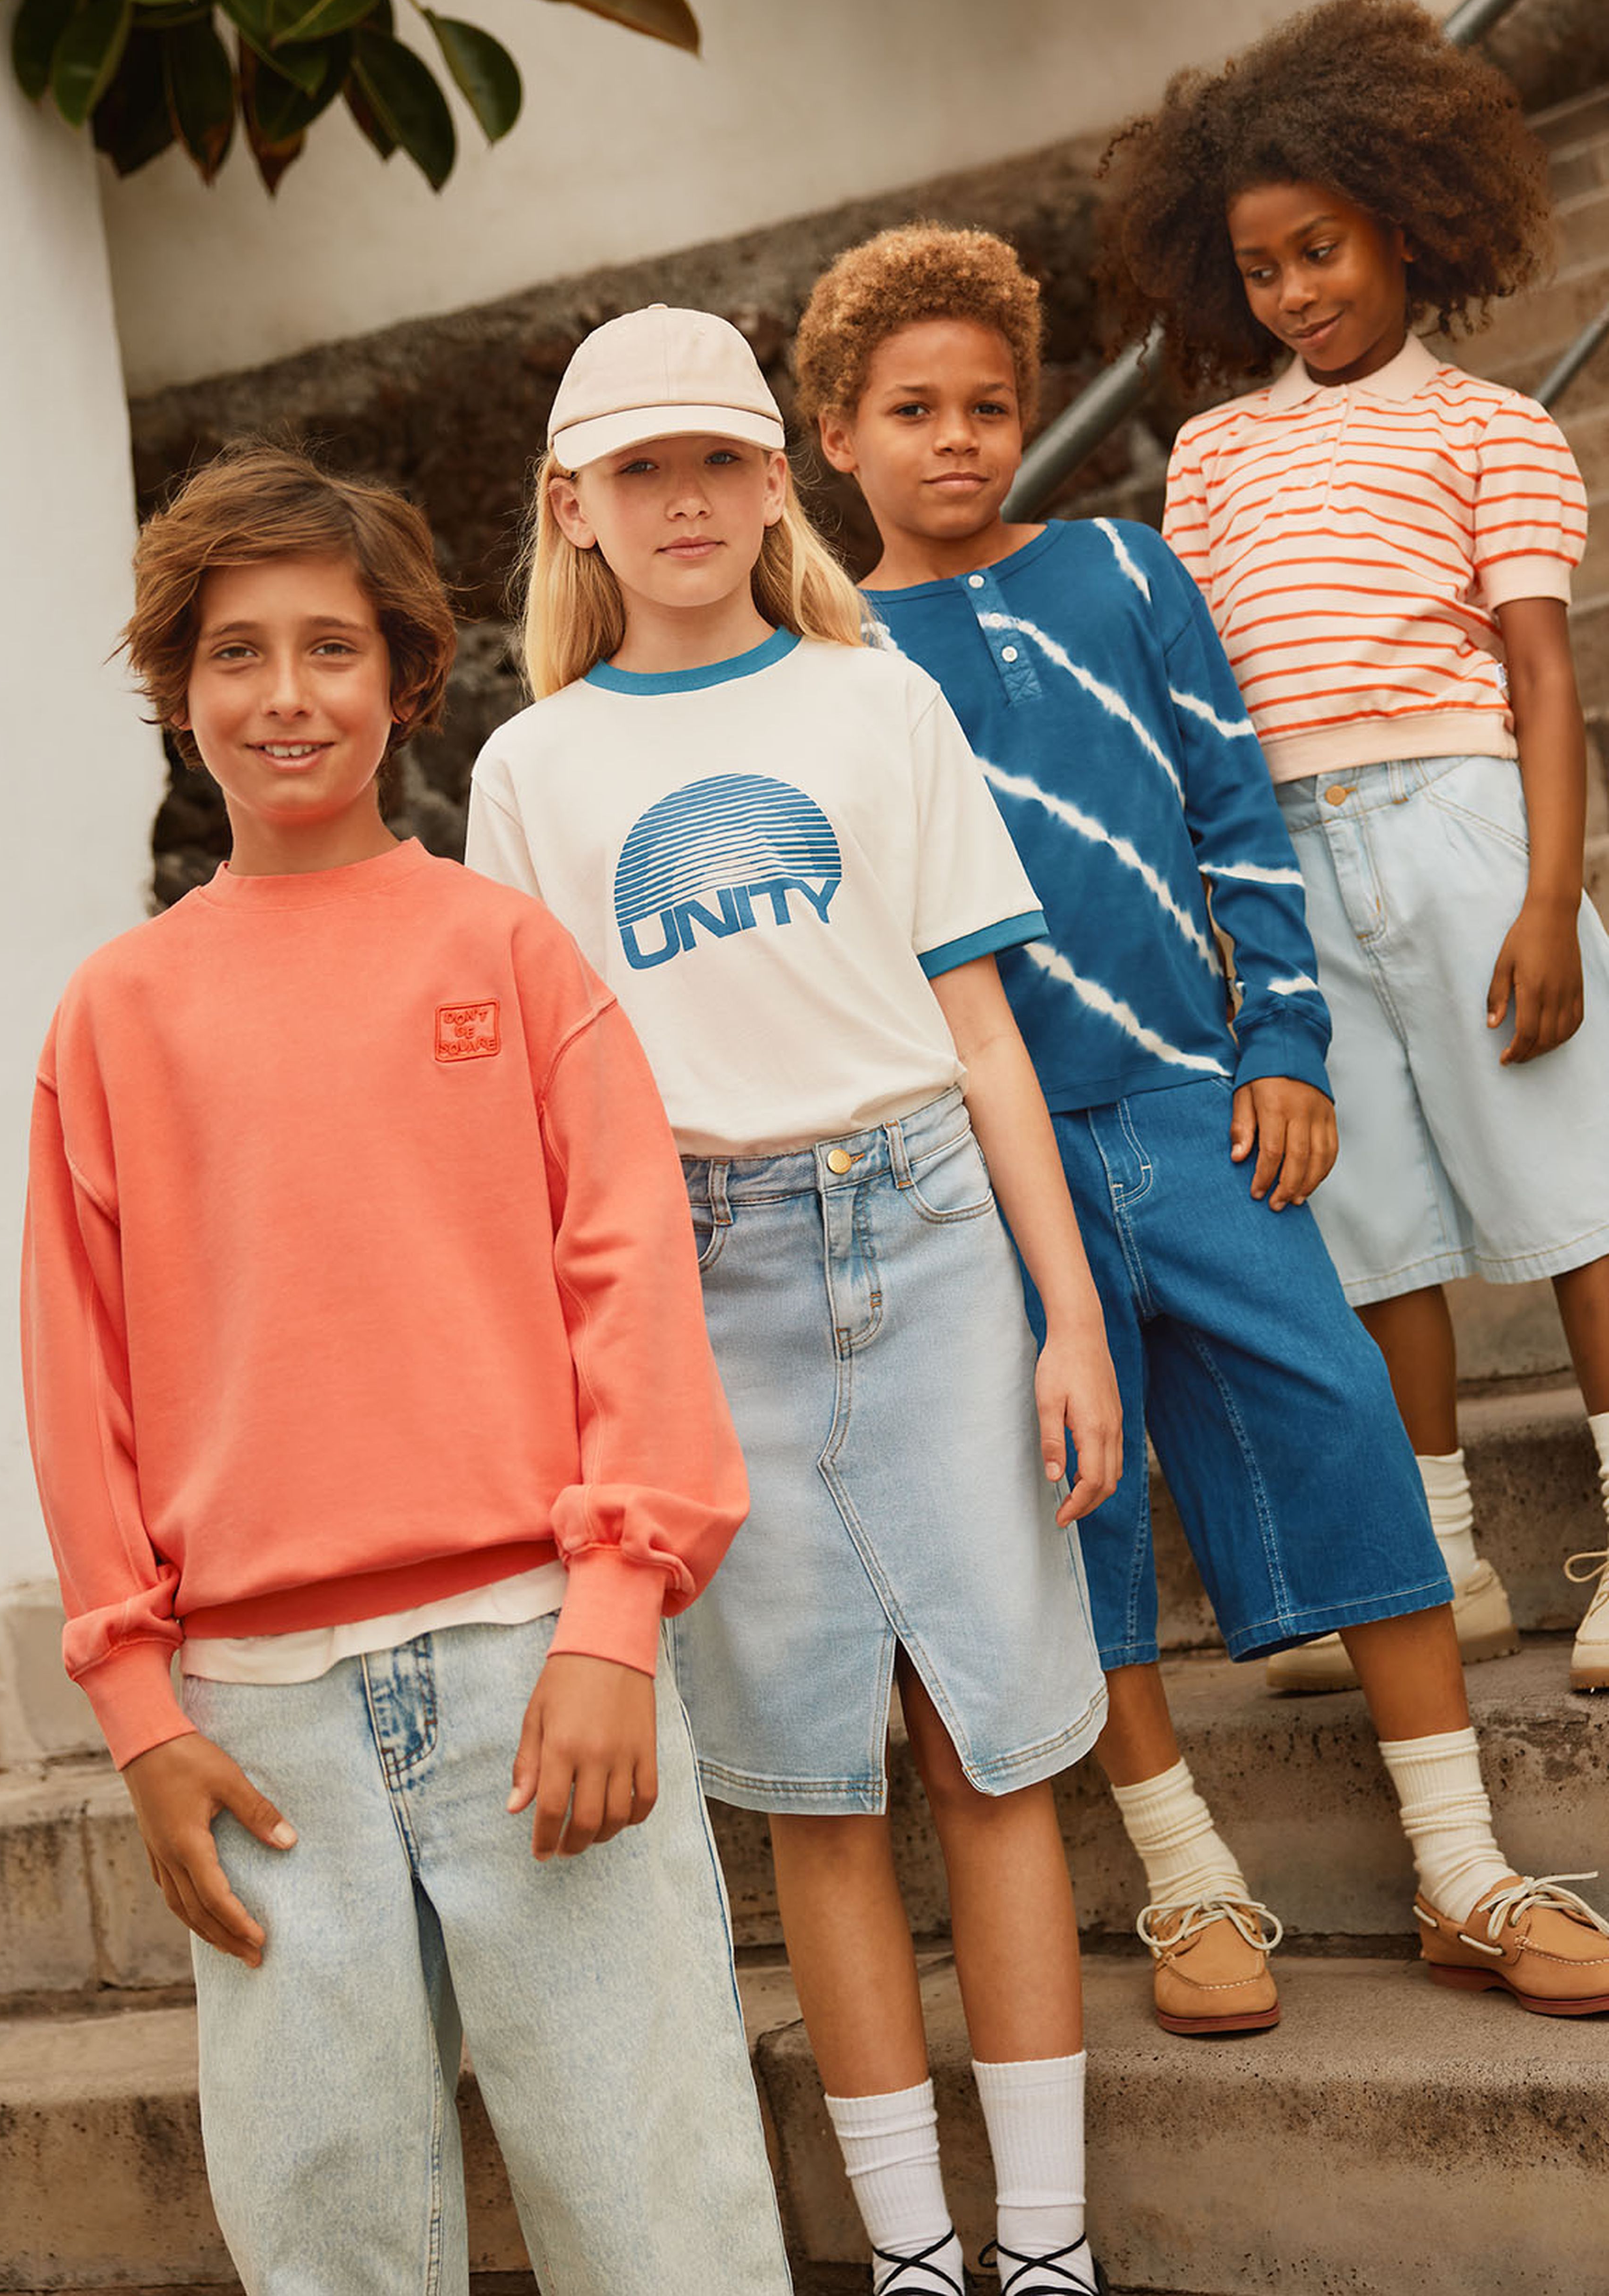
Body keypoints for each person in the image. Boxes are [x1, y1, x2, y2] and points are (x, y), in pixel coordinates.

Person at [795, 220, 1609, 2036]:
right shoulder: (823, 660)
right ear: (834, 435)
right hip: (985, 1158)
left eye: (989, 404)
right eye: (912, 410)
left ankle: (1462, 1867)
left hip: (1194, 1103)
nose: (958, 438)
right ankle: (1188, 1878)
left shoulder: (1123, 567)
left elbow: (1238, 812)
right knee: (1069, 1507)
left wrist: (1285, 1042)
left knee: (1348, 1438)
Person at [19, 441, 793, 2296]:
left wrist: (615, 1620)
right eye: (235, 653)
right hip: (255, 1719)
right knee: (328, 2242)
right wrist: (140, 1712)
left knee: (659, 2217)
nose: (284, 695)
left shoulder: (511, 956)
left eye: (331, 648)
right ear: (177, 688)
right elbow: (76, 1374)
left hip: (537, 1665)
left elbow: (631, 1288)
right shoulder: (115, 1012)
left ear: (406, 675)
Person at [466, 304, 1119, 2296]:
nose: (682, 501)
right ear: (572, 507)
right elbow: (548, 1132)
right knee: (816, 1784)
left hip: (929, 1236)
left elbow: (983, 1033)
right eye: (638, 471)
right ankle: (914, 2249)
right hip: (698, 1282)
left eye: (716, 463)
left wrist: (1069, 1317)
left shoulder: (873, 699)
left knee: (989, 1751)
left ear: (774, 483)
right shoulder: (531, 770)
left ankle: (1050, 2243)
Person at [1098, 0, 1609, 1703]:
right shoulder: (1215, 456)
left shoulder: (1495, 429)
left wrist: (1550, 895)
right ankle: (1438, 1559)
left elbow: (1543, 680)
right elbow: (1198, 704)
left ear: (1402, 225)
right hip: (1289, 862)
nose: (1295, 292)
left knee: (1573, 1196)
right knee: (1375, 1219)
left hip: (1465, 832)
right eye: (1260, 269)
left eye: (1320, 250)